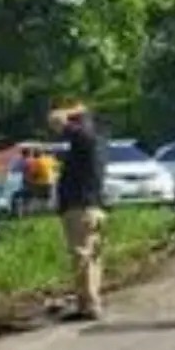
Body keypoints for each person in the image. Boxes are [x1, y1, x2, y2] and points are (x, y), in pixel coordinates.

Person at [52, 104, 108, 322]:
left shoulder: (85, 138)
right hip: (95, 207)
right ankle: (90, 301)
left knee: (82, 256)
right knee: (93, 257)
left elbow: (56, 119)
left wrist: (68, 112)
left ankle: (88, 305)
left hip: (80, 208)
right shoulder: (100, 141)